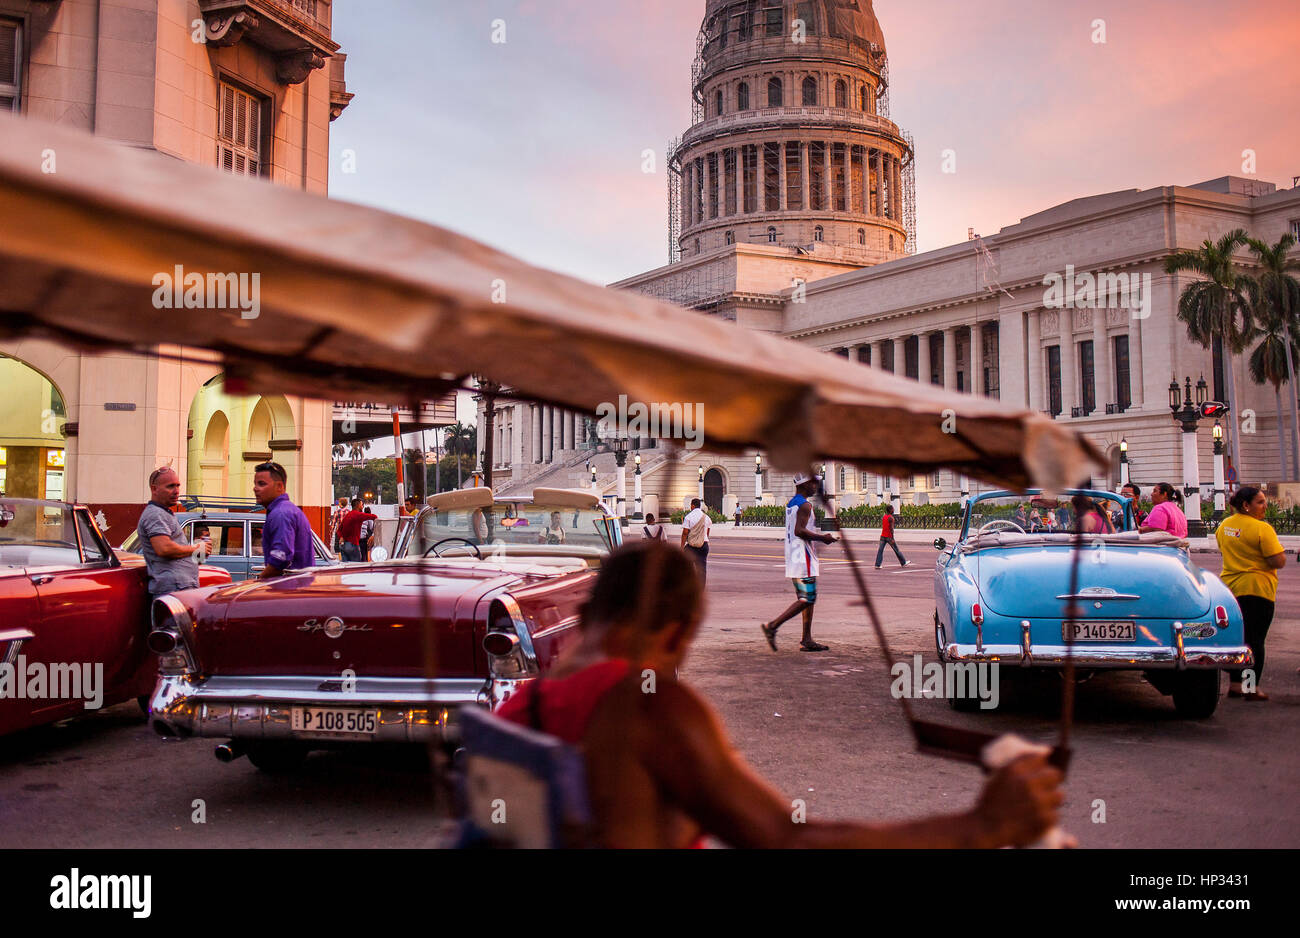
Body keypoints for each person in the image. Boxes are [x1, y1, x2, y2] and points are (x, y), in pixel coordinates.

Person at [496, 540, 1066, 848]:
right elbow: (784, 839)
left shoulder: (526, 705)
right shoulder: (649, 706)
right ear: (672, 633)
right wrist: (979, 828)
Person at [1217, 486, 1286, 701]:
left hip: (1230, 589)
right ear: (1246, 505)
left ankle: (1236, 684)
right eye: (1260, 502)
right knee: (1255, 641)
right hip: (1257, 590)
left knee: (1239, 639)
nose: (1265, 506)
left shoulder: (1224, 525)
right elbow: (1278, 560)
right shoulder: (1261, 528)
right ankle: (1249, 687)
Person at [761, 473, 837, 652]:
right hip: (803, 558)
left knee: (807, 599)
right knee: (807, 598)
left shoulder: (792, 504)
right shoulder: (804, 505)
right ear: (804, 485)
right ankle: (772, 626)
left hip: (795, 555)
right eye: (812, 484)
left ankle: (807, 639)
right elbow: (799, 531)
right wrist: (822, 538)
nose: (815, 487)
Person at [136, 467, 209, 601]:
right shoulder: (155, 514)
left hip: (180, 587)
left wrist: (198, 554)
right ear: (154, 489)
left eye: (178, 485)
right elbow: (164, 549)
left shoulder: (164, 513)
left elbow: (176, 554)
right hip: (173, 590)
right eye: (170, 486)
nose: (176, 491)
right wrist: (195, 549)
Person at [252, 461, 315, 578]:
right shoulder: (285, 510)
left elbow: (280, 558)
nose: (255, 489)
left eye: (261, 484)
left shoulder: (281, 514)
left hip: (289, 590)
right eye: (255, 484)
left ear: (279, 486)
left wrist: (259, 581)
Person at [680, 498, 711, 583]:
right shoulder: (706, 517)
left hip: (692, 546)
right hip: (703, 545)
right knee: (702, 569)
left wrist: (682, 546)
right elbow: (707, 533)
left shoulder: (688, 517)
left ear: (693, 505)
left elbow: (685, 532)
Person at [875, 503, 909, 568]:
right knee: (896, 550)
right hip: (889, 537)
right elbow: (891, 528)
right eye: (893, 509)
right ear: (890, 510)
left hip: (882, 536)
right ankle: (903, 562)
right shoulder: (891, 518)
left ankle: (877, 564)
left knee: (880, 550)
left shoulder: (884, 516)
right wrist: (892, 538)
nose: (893, 510)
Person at [336, 498, 367, 562]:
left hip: (344, 538)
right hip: (354, 539)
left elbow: (334, 524)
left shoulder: (337, 512)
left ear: (340, 504)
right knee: (357, 561)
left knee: (344, 558)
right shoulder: (349, 512)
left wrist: (340, 536)